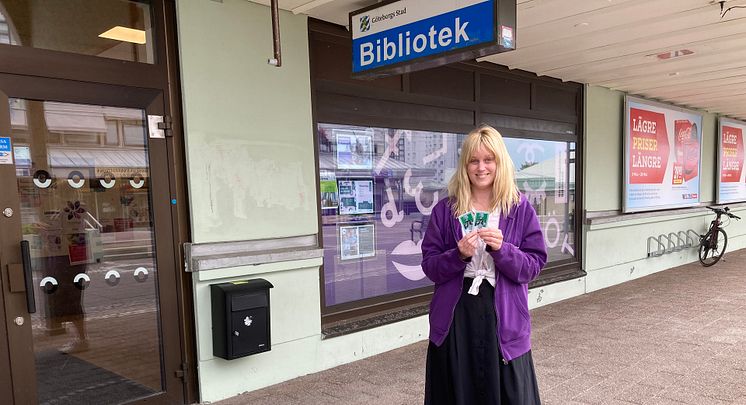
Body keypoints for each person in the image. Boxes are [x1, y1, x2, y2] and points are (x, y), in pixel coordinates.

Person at [422, 125, 548, 405]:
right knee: (458, 389)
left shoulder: (518, 208)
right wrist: (458, 255)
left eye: (488, 159)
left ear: (499, 162)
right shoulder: (446, 210)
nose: (481, 167)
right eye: (474, 160)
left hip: (503, 312)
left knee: (507, 392)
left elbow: (534, 265)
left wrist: (503, 250)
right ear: (465, 164)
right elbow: (430, 266)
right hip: (457, 314)